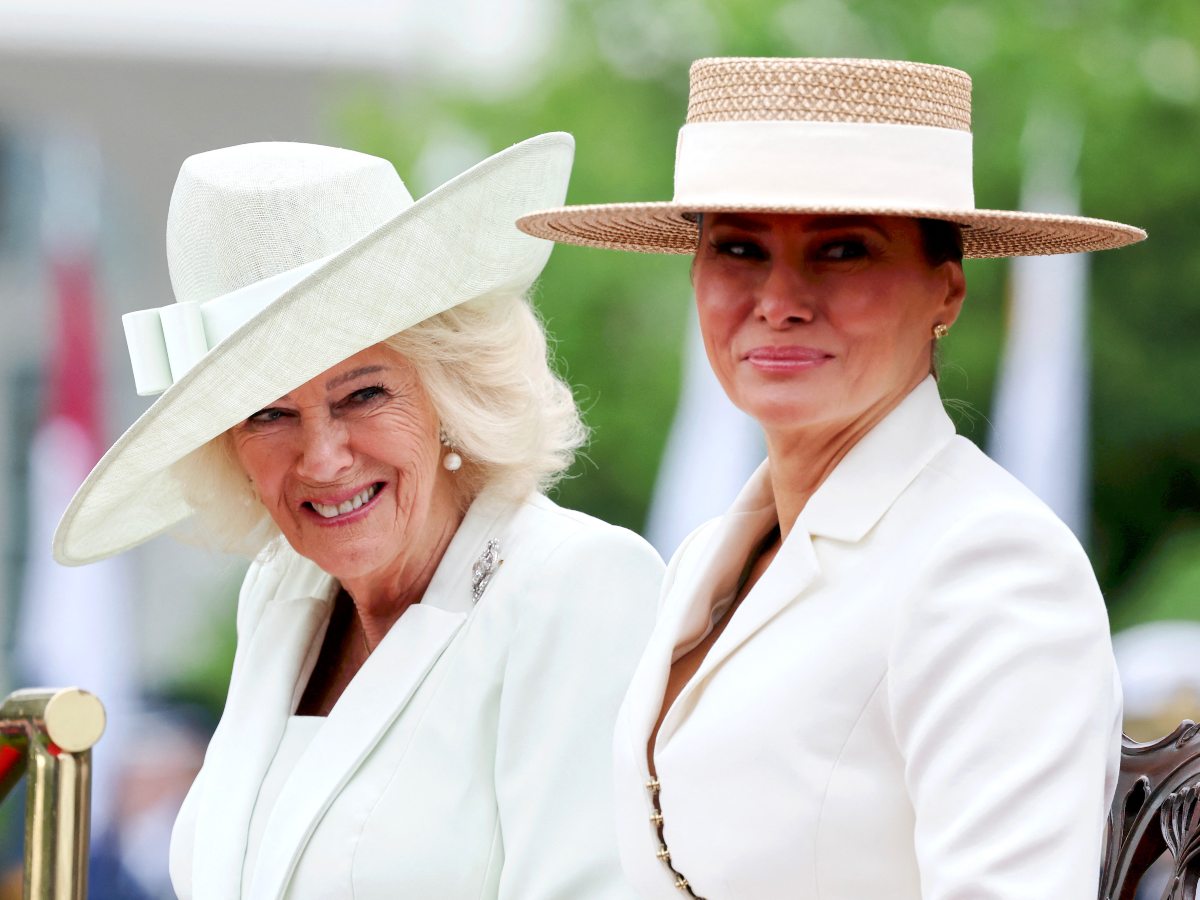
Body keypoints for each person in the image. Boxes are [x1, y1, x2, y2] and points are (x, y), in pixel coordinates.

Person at [518, 57, 1146, 898]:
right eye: (738, 248)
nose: (779, 299)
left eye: (842, 250)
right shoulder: (710, 555)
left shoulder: (994, 565)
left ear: (946, 289)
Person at [53, 134, 663, 898]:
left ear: (450, 390)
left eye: (363, 395)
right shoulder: (281, 594)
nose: (322, 458)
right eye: (269, 414)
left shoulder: (575, 585)